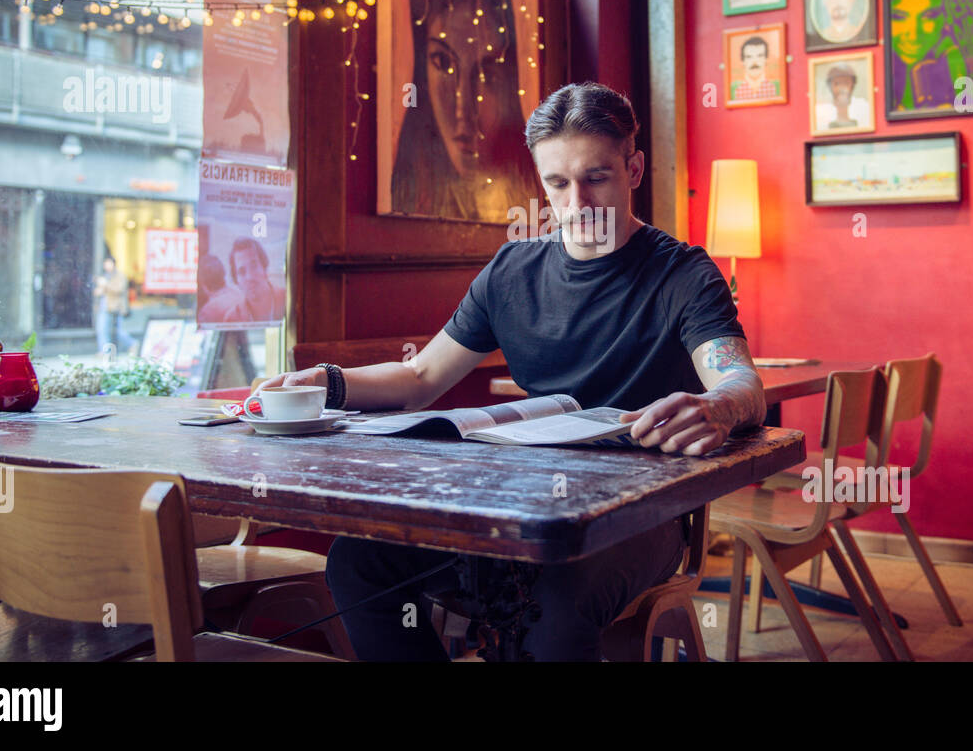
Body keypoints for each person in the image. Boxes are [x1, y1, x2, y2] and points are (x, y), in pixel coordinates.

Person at [258, 82, 766, 661]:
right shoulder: (511, 271)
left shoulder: (684, 273)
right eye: (556, 183)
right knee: (360, 561)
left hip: (640, 513)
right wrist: (330, 381)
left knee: (554, 602)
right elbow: (422, 377)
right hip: (521, 500)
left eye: (596, 177)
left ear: (634, 168)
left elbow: (742, 382)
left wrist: (718, 407)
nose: (577, 202)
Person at [390, 0, 539, 223]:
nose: (464, 108)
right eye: (444, 63)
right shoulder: (408, 194)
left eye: (488, 72)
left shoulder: (527, 208)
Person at [889, 0, 966, 111]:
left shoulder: (952, 57)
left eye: (928, 16)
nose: (913, 35)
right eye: (899, 17)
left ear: (946, 18)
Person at [221, 237, 286, 323]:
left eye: (254, 266)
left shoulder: (287, 299)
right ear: (237, 281)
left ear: (265, 268)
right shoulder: (232, 318)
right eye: (242, 271)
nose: (250, 277)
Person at [93, 256, 134, 356]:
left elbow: (119, 289)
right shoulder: (105, 275)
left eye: (108, 263)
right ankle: (105, 351)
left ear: (113, 264)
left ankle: (132, 344)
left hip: (116, 307)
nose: (106, 266)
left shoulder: (119, 276)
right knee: (102, 330)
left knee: (117, 331)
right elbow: (103, 290)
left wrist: (106, 285)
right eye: (105, 263)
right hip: (104, 307)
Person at [729, 36, 781, 102]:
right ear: (742, 61)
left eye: (759, 56)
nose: (754, 61)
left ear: (766, 59)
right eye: (749, 57)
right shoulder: (733, 89)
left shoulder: (777, 87)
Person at [818, 64, 868, 130]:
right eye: (837, 83)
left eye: (845, 83)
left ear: (852, 85)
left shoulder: (863, 107)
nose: (841, 88)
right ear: (830, 86)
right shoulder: (821, 112)